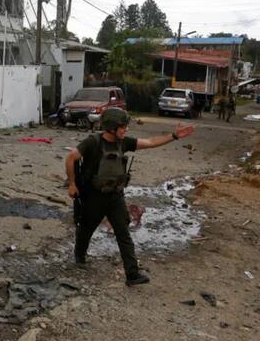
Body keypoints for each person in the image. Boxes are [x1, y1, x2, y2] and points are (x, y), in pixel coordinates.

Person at [65, 108, 195, 286]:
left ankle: (132, 274)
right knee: (86, 229)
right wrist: (72, 184)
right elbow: (71, 157)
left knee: (123, 233)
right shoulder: (92, 143)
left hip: (115, 197)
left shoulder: (123, 143)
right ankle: (79, 256)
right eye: (122, 127)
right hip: (93, 197)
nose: (126, 130)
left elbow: (149, 142)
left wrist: (174, 136)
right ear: (111, 127)